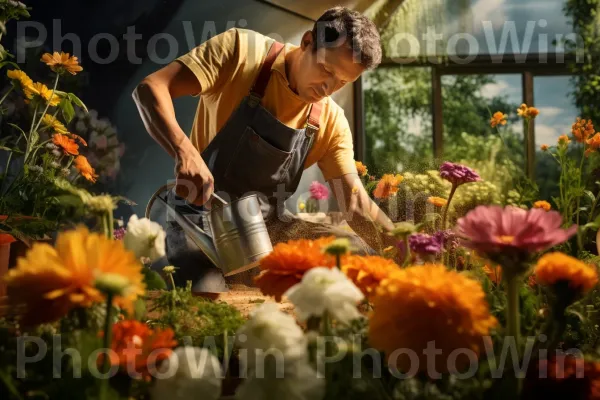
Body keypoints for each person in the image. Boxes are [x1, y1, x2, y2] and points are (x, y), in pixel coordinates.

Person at [133, 7, 395, 292]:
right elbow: (151, 88)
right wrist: (185, 151)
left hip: (266, 228)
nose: (328, 88)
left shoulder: (331, 121)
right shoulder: (241, 51)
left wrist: (405, 244)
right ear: (307, 42)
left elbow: (354, 204)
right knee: (207, 289)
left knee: (352, 254)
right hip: (198, 219)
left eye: (342, 82)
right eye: (326, 70)